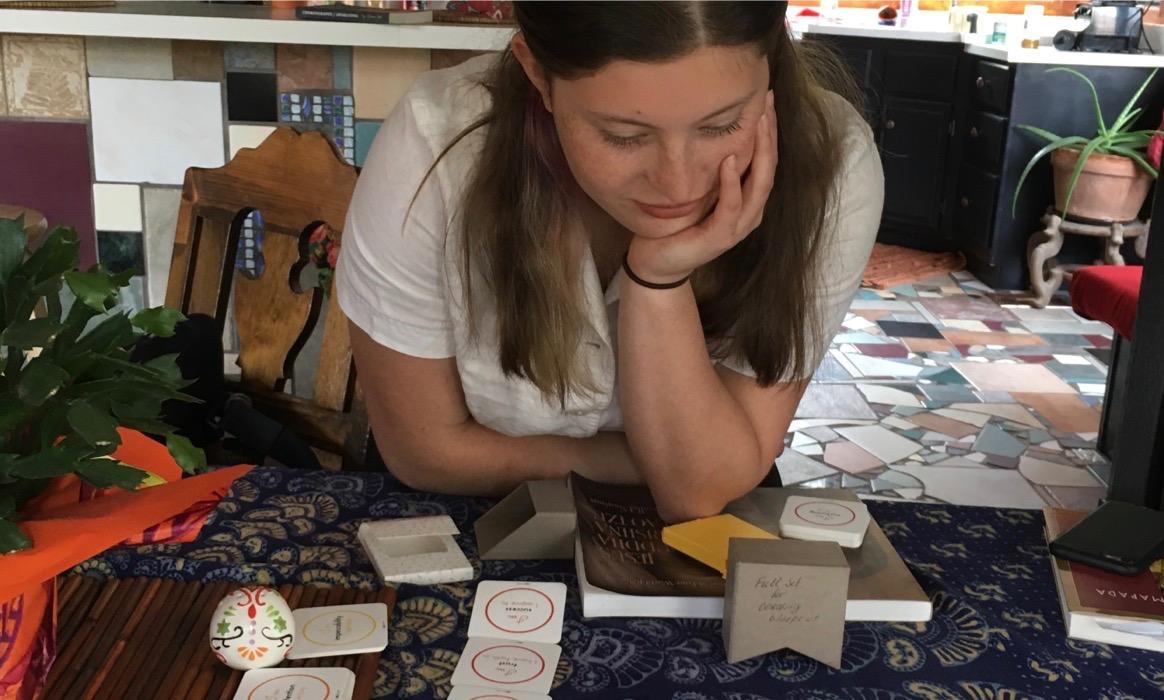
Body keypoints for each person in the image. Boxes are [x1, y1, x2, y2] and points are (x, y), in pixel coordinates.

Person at [336, 1, 883, 522]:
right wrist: (670, 464)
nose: (678, 185)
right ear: (537, 74)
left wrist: (658, 280)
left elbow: (698, 495)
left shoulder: (831, 165)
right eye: (623, 136)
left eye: (721, 125)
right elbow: (424, 454)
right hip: (460, 512)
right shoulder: (435, 146)